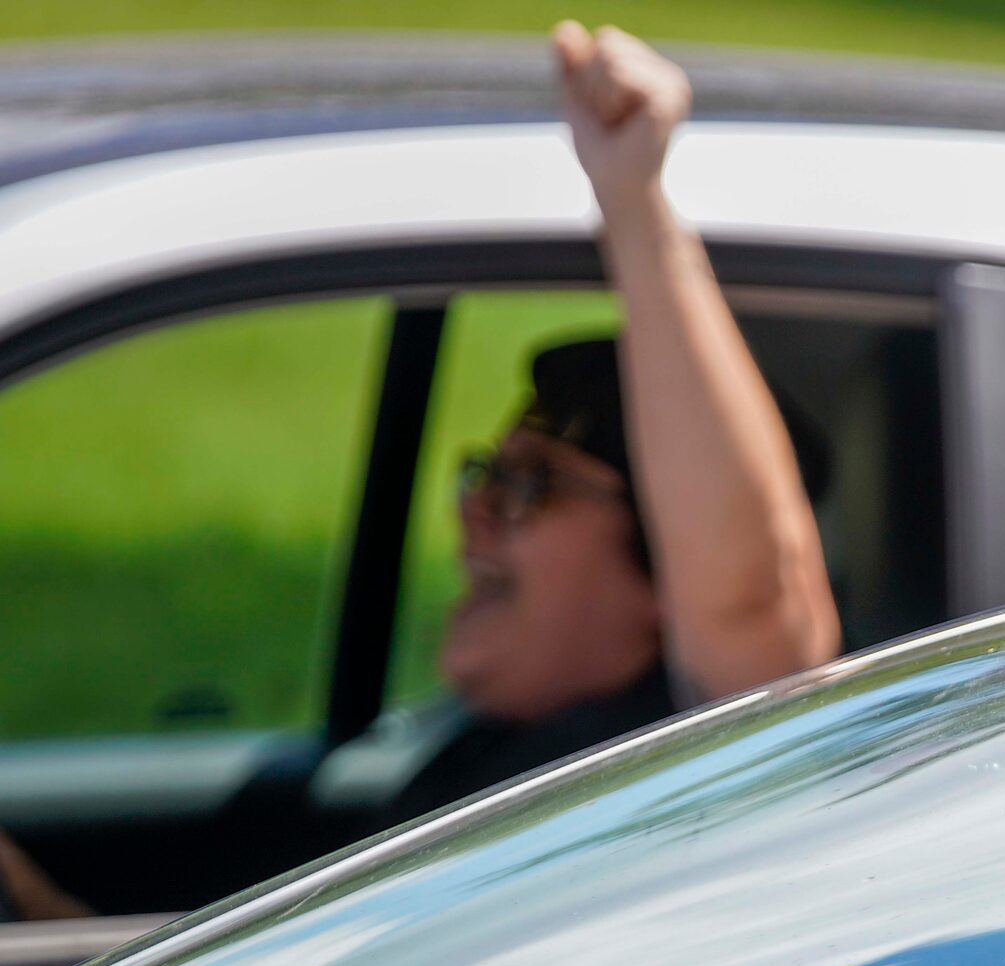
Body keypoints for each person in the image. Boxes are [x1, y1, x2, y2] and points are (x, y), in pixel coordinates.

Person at [0, 23, 838, 918]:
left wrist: (634, 200)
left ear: (666, 572)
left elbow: (748, 604)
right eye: (486, 475)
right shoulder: (487, 755)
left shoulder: (708, 778)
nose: (473, 513)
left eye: (528, 488)